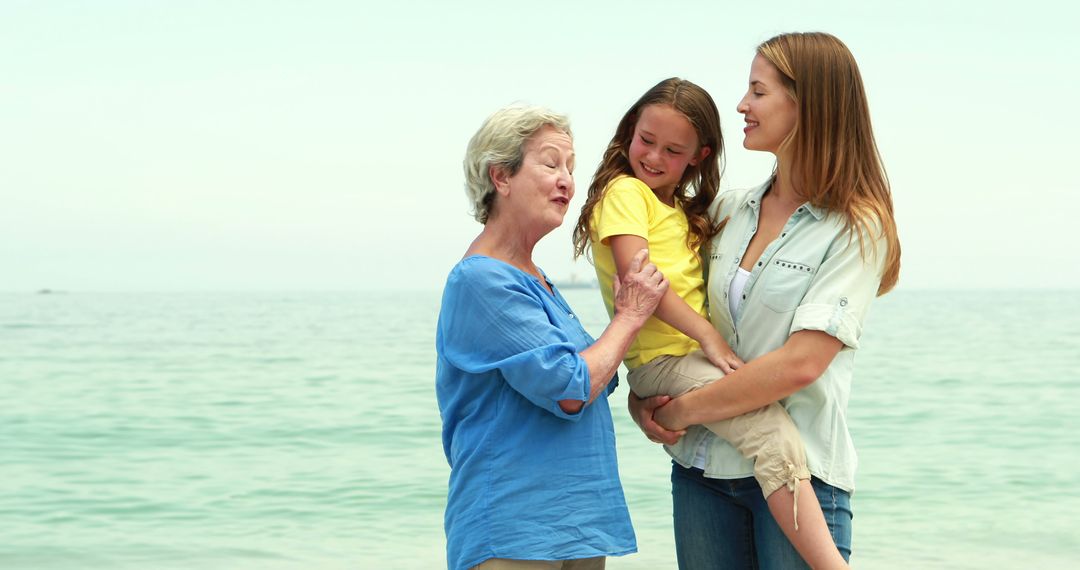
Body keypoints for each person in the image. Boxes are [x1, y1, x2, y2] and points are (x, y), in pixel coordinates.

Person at [630, 33, 902, 569]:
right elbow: (679, 320)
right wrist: (646, 401)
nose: (741, 106)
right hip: (701, 473)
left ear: (808, 105)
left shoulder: (857, 228)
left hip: (801, 477)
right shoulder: (728, 210)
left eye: (758, 91)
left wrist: (681, 409)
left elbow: (802, 364)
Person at [572, 77, 847, 569]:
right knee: (773, 436)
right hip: (668, 359)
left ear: (699, 155)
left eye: (672, 150)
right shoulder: (625, 192)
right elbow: (642, 284)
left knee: (770, 435)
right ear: (628, 131)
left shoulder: (680, 211)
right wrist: (707, 335)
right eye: (645, 140)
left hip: (679, 361)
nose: (653, 157)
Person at [436, 105, 670, 570]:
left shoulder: (536, 279)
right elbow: (570, 389)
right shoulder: (481, 281)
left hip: (577, 522)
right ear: (500, 176)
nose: (566, 180)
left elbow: (594, 378)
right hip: (515, 526)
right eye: (550, 163)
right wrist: (629, 317)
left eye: (570, 167)